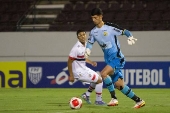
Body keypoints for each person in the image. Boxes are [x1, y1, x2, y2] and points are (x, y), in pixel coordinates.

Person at [84, 7, 145, 108]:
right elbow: (90, 43)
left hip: (117, 58)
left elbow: (125, 31)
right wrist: (88, 50)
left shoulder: (110, 27)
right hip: (109, 60)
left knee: (103, 74)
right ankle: (139, 101)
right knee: (119, 85)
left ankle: (114, 98)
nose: (93, 20)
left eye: (95, 17)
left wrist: (130, 36)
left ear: (100, 17)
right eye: (92, 18)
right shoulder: (93, 32)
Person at [67, 29, 106, 105]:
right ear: (78, 37)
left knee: (96, 79)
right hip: (78, 72)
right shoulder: (76, 48)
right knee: (99, 80)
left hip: (83, 69)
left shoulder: (86, 44)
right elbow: (69, 61)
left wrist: (91, 62)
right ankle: (98, 101)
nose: (82, 36)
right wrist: (71, 75)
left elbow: (83, 57)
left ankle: (86, 95)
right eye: (80, 35)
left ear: (86, 35)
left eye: (83, 34)